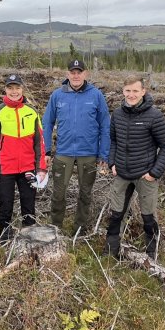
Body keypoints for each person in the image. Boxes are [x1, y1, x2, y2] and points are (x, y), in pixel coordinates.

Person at [103, 75, 165, 260]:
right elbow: (114, 141)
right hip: (122, 174)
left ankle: (152, 253)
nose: (131, 95)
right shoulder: (117, 114)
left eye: (135, 91)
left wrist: (154, 172)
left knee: (148, 217)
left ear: (143, 92)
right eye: (128, 91)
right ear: (123, 91)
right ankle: (111, 251)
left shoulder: (154, 116)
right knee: (116, 214)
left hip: (145, 175)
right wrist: (112, 163)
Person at [42, 59, 110, 234]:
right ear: (67, 74)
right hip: (63, 152)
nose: (76, 75)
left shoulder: (96, 95)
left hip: (88, 153)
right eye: (73, 72)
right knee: (58, 193)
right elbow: (47, 123)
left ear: (85, 74)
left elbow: (105, 126)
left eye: (79, 72)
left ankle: (79, 229)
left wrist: (103, 155)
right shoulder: (57, 95)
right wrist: (47, 150)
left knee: (85, 193)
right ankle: (55, 227)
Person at [0, 74, 48, 243]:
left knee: (29, 204)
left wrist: (41, 168)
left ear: (22, 89)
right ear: (5, 89)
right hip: (4, 169)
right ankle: (5, 238)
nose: (14, 91)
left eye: (17, 88)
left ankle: (29, 237)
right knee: (6, 205)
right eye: (10, 88)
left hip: (28, 168)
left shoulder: (31, 112)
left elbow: (40, 143)